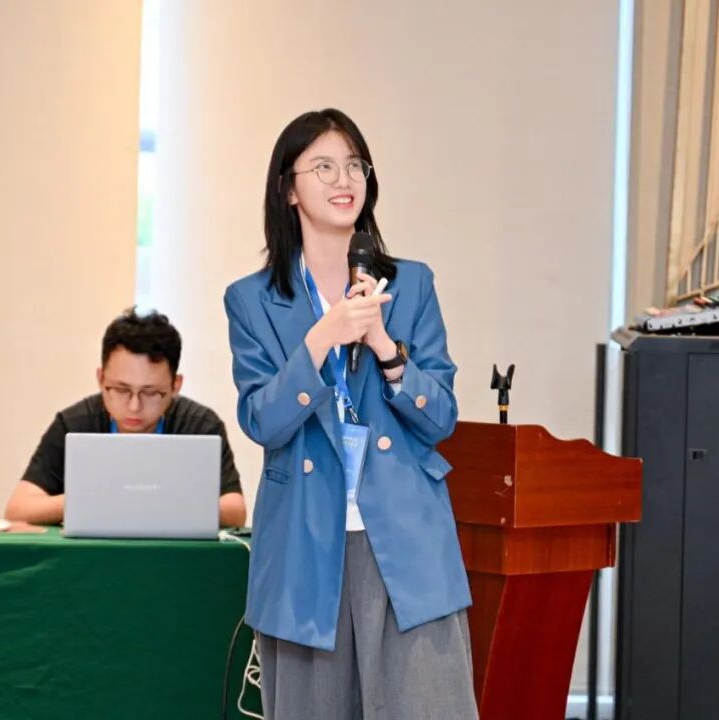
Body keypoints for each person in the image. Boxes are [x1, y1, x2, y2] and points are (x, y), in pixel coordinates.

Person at [224, 109, 476, 719]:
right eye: (324, 166)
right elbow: (262, 421)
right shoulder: (252, 300)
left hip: (406, 541)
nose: (345, 179)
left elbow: (441, 418)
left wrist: (387, 348)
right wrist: (321, 339)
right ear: (288, 189)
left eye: (355, 165)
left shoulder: (410, 284)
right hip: (305, 546)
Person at [5, 307, 246, 527]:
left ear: (176, 385)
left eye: (151, 392)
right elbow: (18, 508)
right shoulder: (74, 424)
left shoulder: (200, 425)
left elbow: (235, 511)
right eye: (121, 390)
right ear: (101, 379)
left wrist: (148, 500)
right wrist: (92, 499)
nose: (134, 406)